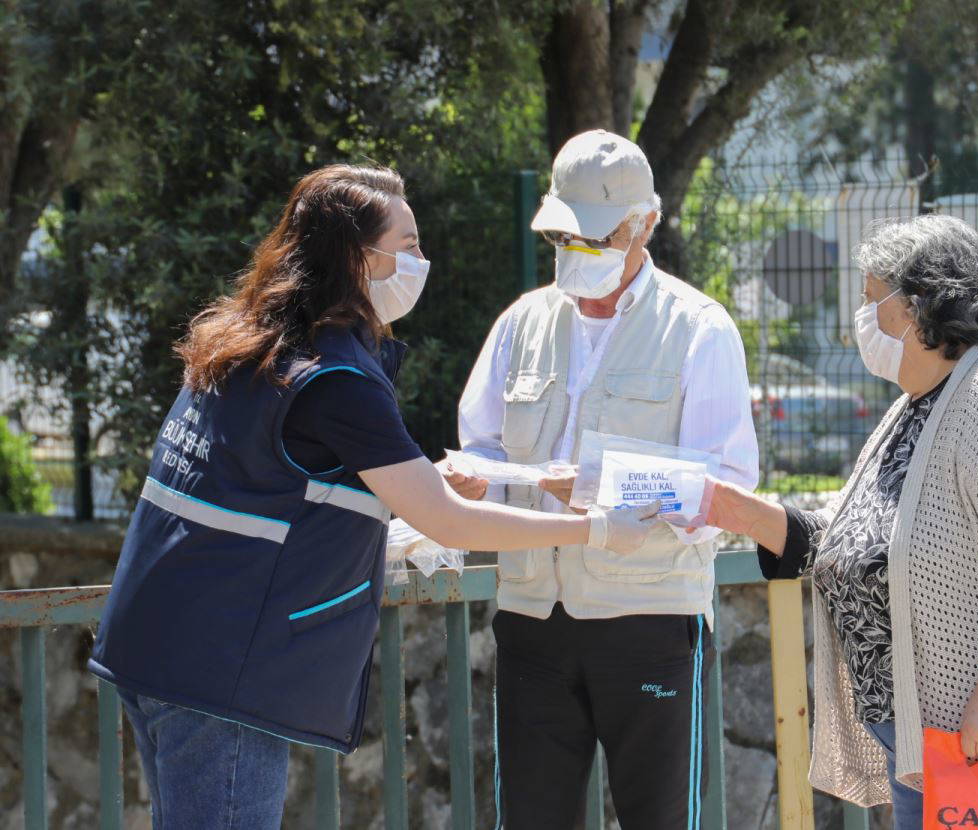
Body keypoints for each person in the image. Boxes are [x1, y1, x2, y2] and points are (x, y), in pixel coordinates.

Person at [87, 164, 658, 829]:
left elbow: (276, 481)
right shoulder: (337, 379)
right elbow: (444, 520)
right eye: (409, 245)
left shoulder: (244, 342)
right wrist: (591, 529)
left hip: (154, 641)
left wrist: (421, 485)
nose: (423, 259)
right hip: (220, 673)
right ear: (361, 259)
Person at [701, 215, 978, 829]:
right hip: (929, 743)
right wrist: (741, 512)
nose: (863, 317)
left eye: (875, 299)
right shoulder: (917, 405)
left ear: (923, 304)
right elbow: (860, 545)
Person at [449, 130, 758, 829]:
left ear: (646, 221)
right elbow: (484, 445)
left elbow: (726, 491)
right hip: (531, 620)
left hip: (648, 620)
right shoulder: (519, 322)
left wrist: (594, 484)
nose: (578, 253)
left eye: (598, 236)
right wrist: (476, 480)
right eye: (567, 237)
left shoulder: (700, 329)